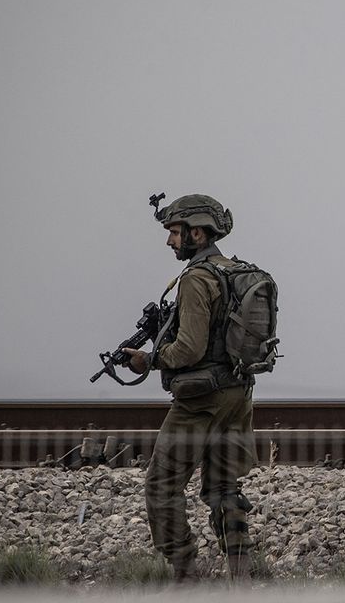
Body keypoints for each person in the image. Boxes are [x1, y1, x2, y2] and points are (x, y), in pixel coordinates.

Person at [123, 194, 257, 581]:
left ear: (197, 233)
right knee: (223, 486)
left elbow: (190, 348)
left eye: (175, 232)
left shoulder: (197, 279)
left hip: (201, 401)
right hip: (239, 393)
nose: (170, 241)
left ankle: (186, 576)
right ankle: (242, 575)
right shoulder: (235, 270)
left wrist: (150, 359)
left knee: (162, 485)